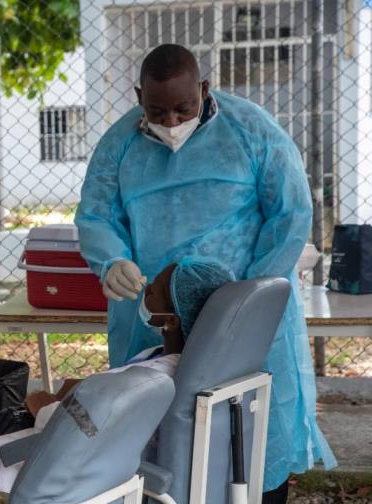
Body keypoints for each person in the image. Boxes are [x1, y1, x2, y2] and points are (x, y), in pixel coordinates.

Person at [73, 43, 337, 502]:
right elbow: (97, 216)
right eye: (158, 111)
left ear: (204, 90)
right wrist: (111, 260)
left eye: (183, 108)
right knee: (161, 443)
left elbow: (290, 214)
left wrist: (249, 296)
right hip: (154, 319)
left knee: (251, 438)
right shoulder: (119, 145)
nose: (172, 122)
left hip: (246, 315)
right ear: (138, 97)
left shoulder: (252, 131)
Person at [0, 259, 232, 504]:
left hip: (40, 471)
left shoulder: (151, 377)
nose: (145, 290)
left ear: (169, 320)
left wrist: (43, 403)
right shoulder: (175, 365)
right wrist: (78, 392)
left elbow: (75, 426)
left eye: (152, 292)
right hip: (60, 454)